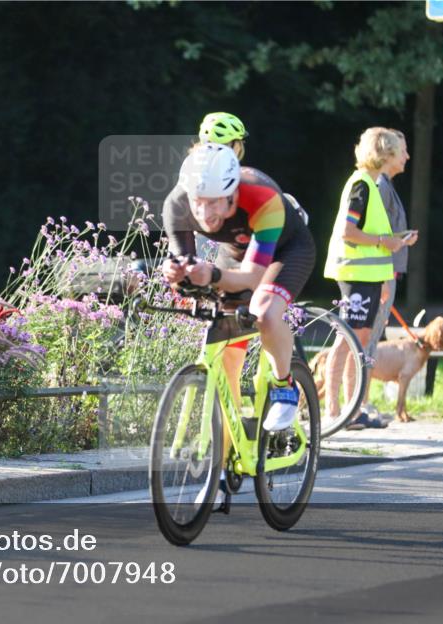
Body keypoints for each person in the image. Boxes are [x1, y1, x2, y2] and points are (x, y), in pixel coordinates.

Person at [161, 142, 315, 434]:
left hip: (287, 252)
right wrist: (176, 272)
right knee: (226, 349)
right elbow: (183, 260)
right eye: (198, 202)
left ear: (232, 193)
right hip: (235, 253)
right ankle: (227, 453)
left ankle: (285, 386)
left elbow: (254, 278)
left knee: (265, 313)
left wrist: (213, 274)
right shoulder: (177, 203)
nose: (204, 213)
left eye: (214, 202)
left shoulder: (262, 198)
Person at [322, 127, 417, 429]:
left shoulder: (372, 185)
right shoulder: (361, 185)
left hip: (370, 274)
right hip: (355, 273)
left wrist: (391, 253)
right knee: (346, 339)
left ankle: (351, 410)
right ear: (384, 154)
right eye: (395, 150)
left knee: (358, 342)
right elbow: (349, 232)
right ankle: (333, 409)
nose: (403, 156)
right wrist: (383, 241)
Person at [363, 129, 418, 413]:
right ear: (389, 153)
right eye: (403, 150)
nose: (407, 156)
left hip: (384, 272)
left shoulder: (384, 185)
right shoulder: (380, 186)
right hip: (379, 274)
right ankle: (360, 403)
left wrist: (401, 237)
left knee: (368, 336)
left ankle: (358, 402)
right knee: (367, 337)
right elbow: (373, 235)